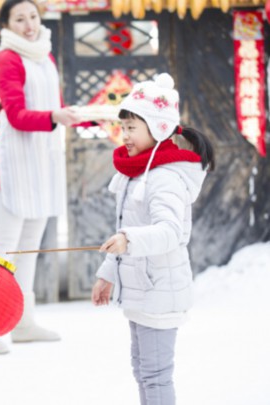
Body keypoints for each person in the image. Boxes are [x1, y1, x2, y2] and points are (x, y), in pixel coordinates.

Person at [0, 0, 88, 355]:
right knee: (3, 248)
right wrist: (56, 116)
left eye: (33, 17)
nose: (29, 25)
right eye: (19, 19)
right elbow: (18, 115)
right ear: (7, 25)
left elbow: (55, 110)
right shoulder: (6, 59)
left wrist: (85, 116)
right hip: (14, 166)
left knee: (28, 249)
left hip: (41, 163)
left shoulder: (43, 56)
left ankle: (22, 323)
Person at [91, 73, 215, 405]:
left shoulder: (165, 178)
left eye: (132, 127)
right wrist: (107, 273)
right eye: (124, 127)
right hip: (141, 291)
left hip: (160, 290)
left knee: (156, 376)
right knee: (143, 370)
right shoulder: (137, 172)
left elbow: (171, 232)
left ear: (158, 129)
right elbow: (126, 227)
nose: (125, 135)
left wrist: (128, 240)